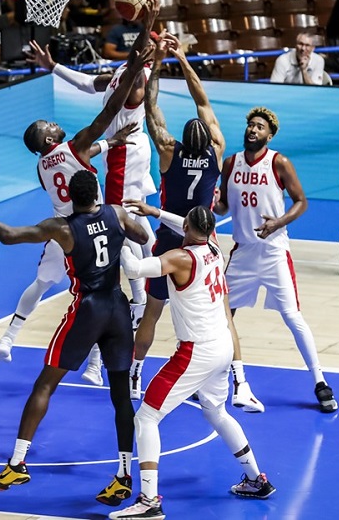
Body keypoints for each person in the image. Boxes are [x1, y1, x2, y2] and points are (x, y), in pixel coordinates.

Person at [0, 170, 150, 510]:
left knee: (45, 384)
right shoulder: (117, 213)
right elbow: (143, 234)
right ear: (97, 193)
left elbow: (7, 236)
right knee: (121, 397)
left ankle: (17, 463)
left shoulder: (62, 228)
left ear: (71, 199)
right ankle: (123, 475)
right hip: (118, 309)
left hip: (87, 311)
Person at [3, 0, 160, 383]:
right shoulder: (121, 85)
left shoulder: (43, 164)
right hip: (114, 173)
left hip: (71, 218)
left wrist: (54, 67)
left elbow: (102, 93)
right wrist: (148, 27)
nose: (53, 123)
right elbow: (103, 101)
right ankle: (141, 299)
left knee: (64, 279)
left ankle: (12, 336)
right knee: (124, 241)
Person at [110, 205, 275, 520]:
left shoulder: (180, 258)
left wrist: (121, 234)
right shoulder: (214, 248)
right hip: (222, 345)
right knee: (216, 412)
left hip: (195, 352)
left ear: (187, 226)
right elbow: (185, 226)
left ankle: (149, 501)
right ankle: (257, 480)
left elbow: (133, 269)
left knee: (146, 418)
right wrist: (155, 212)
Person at [130, 32, 264, 412]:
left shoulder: (167, 150)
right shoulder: (216, 149)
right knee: (221, 312)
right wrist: (182, 59)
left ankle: (135, 373)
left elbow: (151, 106)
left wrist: (158, 62)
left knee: (153, 311)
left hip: (169, 240)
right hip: (204, 244)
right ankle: (240, 382)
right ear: (207, 139)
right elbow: (201, 99)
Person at [214, 106, 338, 413]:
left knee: (293, 317)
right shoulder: (231, 163)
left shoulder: (278, 162)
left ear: (269, 136)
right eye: (251, 125)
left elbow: (301, 202)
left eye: (260, 127)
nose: (253, 130)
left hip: (273, 252)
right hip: (243, 252)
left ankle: (320, 381)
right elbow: (224, 207)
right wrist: (212, 202)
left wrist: (278, 223)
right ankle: (210, 378)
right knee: (219, 317)